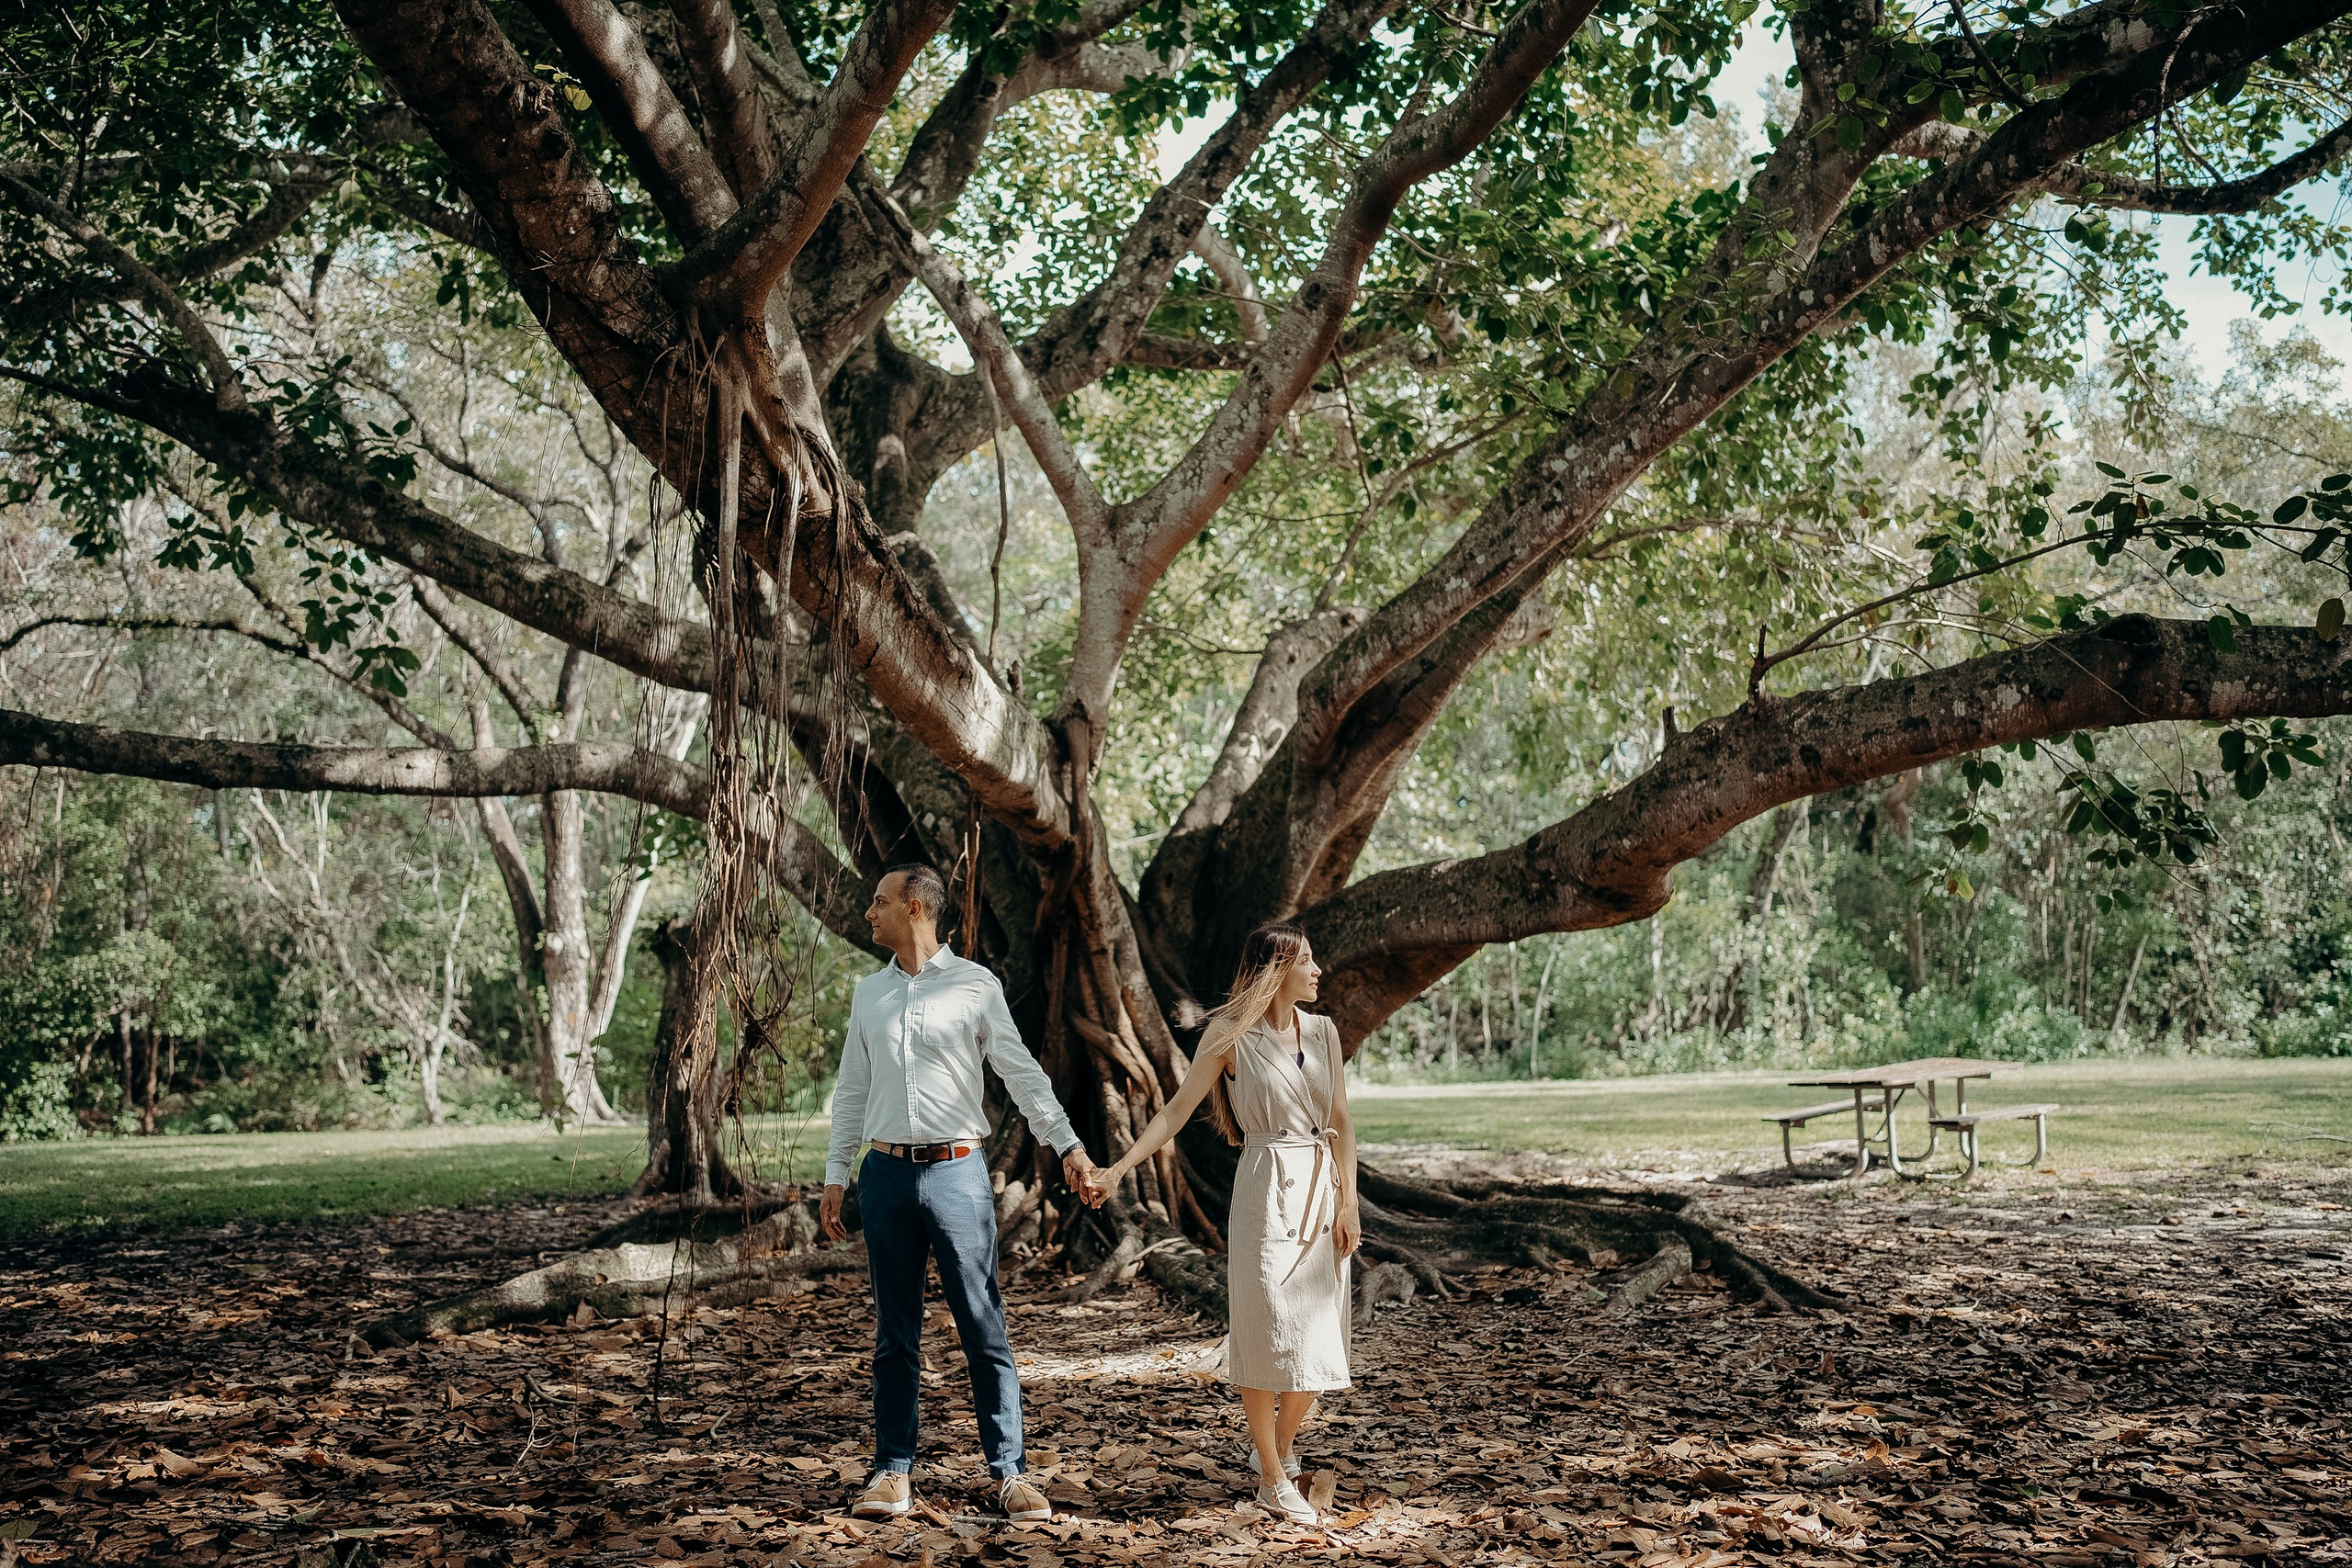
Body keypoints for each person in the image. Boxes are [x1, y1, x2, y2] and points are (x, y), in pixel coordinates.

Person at [821, 863, 1102, 1524]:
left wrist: (1069, 1145)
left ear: (917, 908)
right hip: (885, 1175)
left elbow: (1022, 1074)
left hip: (958, 1174)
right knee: (896, 1332)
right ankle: (893, 1472)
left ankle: (1009, 1473)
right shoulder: (870, 994)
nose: (870, 912)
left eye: (880, 902)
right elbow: (852, 1092)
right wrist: (837, 1173)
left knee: (982, 1326)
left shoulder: (977, 986)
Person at [1077, 921, 1358, 1525]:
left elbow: (1341, 1119)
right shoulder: (1230, 1034)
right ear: (1277, 968)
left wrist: (1350, 1202)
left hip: (1321, 1187)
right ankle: (1277, 1476)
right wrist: (1120, 1165)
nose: (1318, 971)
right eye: (1307, 961)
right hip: (1264, 1186)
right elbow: (1176, 1109)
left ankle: (1271, 1467)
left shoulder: (1325, 1032)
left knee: (1314, 1344)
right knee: (1263, 1332)